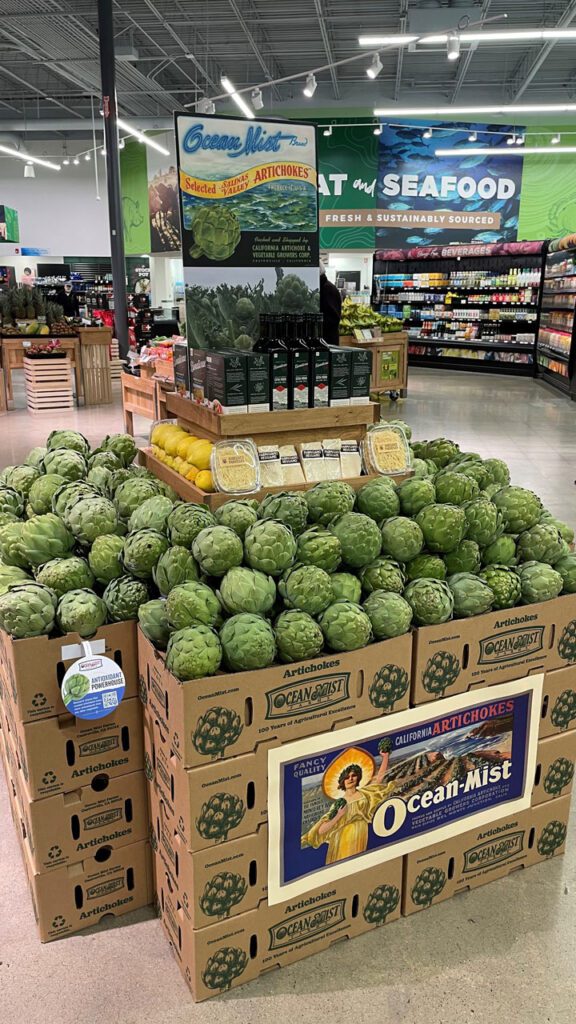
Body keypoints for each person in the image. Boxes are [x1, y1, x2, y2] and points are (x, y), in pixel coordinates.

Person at [301, 743, 395, 865]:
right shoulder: (339, 803)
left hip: (361, 833)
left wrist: (385, 757)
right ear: (342, 782)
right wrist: (339, 815)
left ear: (358, 778)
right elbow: (321, 830)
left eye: (354, 775)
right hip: (342, 839)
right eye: (347, 777)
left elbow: (379, 779)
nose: (350, 779)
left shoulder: (365, 793)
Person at [319, 260, 342, 346]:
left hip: (328, 342)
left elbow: (332, 320)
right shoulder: (323, 287)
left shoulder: (328, 289)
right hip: (326, 341)